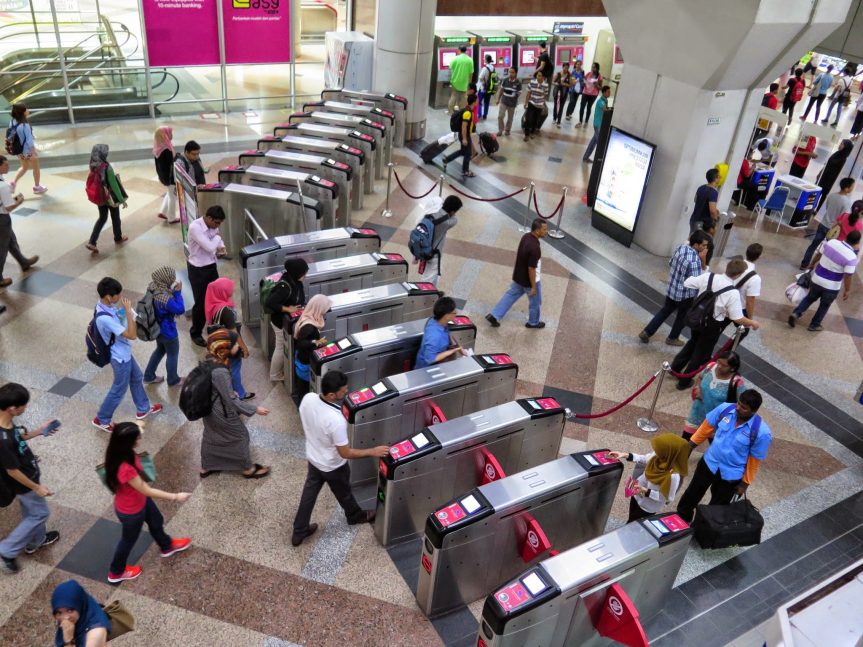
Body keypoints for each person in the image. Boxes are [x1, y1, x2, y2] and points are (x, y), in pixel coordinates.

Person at [291, 370, 389, 546]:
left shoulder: (309, 398)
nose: (346, 392)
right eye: (343, 391)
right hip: (333, 466)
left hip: (314, 459)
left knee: (309, 494)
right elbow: (345, 453)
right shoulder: (335, 420)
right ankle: (355, 516)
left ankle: (299, 531)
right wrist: (372, 451)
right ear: (331, 394)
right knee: (344, 493)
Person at [104, 421, 192, 583]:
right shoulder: (125, 468)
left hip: (140, 501)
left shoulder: (119, 450)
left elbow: (133, 429)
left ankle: (166, 546)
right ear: (128, 442)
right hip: (131, 511)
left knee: (156, 520)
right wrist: (175, 496)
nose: (140, 439)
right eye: (137, 437)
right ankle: (116, 572)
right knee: (128, 540)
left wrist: (139, 425)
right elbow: (146, 489)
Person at [676, 390, 772, 524]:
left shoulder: (762, 432)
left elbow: (754, 461)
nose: (738, 408)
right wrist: (689, 447)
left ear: (754, 411)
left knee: (717, 507)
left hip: (730, 475)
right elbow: (706, 428)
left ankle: (703, 528)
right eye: (739, 404)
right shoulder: (725, 409)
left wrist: (744, 484)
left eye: (744, 408)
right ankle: (681, 519)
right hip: (709, 463)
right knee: (691, 494)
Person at [670, 259, 761, 389]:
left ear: (727, 268)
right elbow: (737, 318)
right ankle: (683, 382)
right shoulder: (732, 292)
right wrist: (752, 322)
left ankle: (675, 368)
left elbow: (688, 282)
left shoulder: (709, 276)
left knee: (693, 342)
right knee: (700, 353)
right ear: (738, 274)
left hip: (697, 319)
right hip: (712, 326)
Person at [0, 383, 60, 574]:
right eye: (23, 406)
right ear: (12, 408)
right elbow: (12, 471)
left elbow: (17, 437)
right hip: (24, 482)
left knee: (31, 511)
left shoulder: (6, 423)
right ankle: (7, 550)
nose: (26, 408)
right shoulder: (2, 439)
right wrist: (36, 487)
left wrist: (39, 431)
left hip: (28, 472)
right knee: (39, 514)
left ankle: (36, 541)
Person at [92, 277, 162, 432]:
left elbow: (119, 319)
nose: (120, 297)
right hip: (119, 358)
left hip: (124, 353)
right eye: (117, 294)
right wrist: (129, 315)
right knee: (118, 389)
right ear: (108, 297)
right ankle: (102, 419)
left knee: (136, 377)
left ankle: (143, 408)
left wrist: (125, 312)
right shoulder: (104, 319)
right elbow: (131, 335)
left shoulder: (103, 307)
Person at [200, 329, 271, 479]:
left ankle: (206, 466)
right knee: (241, 435)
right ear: (224, 348)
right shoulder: (221, 371)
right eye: (234, 344)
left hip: (208, 409)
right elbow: (231, 401)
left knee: (211, 434)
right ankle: (247, 468)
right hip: (220, 411)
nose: (238, 346)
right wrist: (255, 409)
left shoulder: (209, 360)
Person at [638, 231, 709, 347]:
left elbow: (671, 263)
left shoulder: (680, 248)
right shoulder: (695, 260)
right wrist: (703, 260)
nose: (705, 248)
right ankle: (673, 338)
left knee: (664, 311)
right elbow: (697, 281)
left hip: (672, 289)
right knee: (682, 316)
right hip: (686, 295)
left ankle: (647, 332)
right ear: (696, 245)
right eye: (704, 245)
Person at [607, 434, 690, 522]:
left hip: (648, 506)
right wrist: (625, 455)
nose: (655, 452)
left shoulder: (673, 476)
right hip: (636, 493)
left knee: (635, 523)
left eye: (660, 450)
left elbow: (665, 497)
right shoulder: (658, 456)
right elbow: (644, 459)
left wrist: (646, 491)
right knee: (631, 518)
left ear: (669, 453)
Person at [790, 230, 861, 331]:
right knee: (824, 305)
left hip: (817, 279)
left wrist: (812, 264)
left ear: (847, 237)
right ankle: (814, 325)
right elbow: (848, 276)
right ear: (857, 242)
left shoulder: (832, 242)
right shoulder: (851, 257)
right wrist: (847, 290)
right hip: (831, 287)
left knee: (809, 298)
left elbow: (819, 254)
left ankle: (796, 313)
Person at [486, 218, 548, 329]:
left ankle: (494, 315)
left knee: (510, 295)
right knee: (535, 302)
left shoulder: (525, 237)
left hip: (519, 277)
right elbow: (531, 269)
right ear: (537, 230)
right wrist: (533, 286)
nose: (546, 231)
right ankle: (533, 322)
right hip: (530, 281)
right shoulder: (535, 248)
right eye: (544, 229)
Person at [205, 277, 253, 401]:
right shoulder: (226, 311)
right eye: (229, 288)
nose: (232, 290)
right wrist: (244, 348)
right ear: (222, 291)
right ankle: (240, 395)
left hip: (220, 343)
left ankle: (229, 391)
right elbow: (234, 333)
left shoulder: (215, 305)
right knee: (235, 369)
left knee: (228, 368)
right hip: (230, 345)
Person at [681, 350, 746, 440]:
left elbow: (743, 403)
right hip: (697, 414)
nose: (719, 366)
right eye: (718, 362)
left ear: (732, 368)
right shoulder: (710, 366)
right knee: (685, 443)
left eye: (724, 365)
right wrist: (698, 388)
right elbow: (700, 378)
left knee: (714, 448)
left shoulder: (737, 383)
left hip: (716, 422)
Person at [187, 205, 226, 347]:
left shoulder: (213, 226)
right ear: (208, 218)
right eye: (216, 223)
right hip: (198, 270)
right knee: (201, 303)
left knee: (215, 299)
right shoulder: (195, 227)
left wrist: (221, 246)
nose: (217, 226)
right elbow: (210, 246)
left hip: (211, 266)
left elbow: (216, 241)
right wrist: (218, 238)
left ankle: (214, 327)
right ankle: (195, 332)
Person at [265, 258, 308, 382]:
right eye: (303, 273)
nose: (305, 275)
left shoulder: (294, 280)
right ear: (296, 272)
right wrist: (288, 309)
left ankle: (280, 370)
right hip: (280, 322)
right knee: (280, 347)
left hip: (287, 321)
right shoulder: (285, 286)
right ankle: (274, 375)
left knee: (282, 346)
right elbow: (270, 302)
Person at [142, 266, 185, 387]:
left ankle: (149, 376)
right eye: (171, 279)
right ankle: (173, 380)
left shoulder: (152, 287)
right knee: (172, 354)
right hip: (168, 331)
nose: (173, 281)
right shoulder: (165, 298)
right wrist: (177, 293)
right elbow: (179, 309)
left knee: (160, 350)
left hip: (156, 328)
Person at [800, 177, 855, 269]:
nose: (852, 188)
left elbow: (827, 207)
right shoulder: (847, 202)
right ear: (846, 188)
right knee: (830, 250)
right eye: (852, 186)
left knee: (813, 245)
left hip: (823, 224)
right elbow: (844, 218)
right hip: (834, 229)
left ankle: (804, 264)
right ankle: (820, 267)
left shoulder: (832, 195)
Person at [0, 154, 38, 289]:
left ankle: (23, 262)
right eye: (5, 164)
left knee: (11, 241)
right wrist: (19, 201)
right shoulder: (2, 186)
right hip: (2, 219)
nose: (8, 165)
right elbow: (8, 207)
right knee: (3, 248)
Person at [85, 144, 129, 255]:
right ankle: (118, 238)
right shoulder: (107, 167)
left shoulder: (93, 165)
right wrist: (122, 200)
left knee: (102, 218)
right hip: (110, 197)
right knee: (115, 217)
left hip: (100, 197)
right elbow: (114, 186)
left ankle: (92, 242)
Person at [292, 293, 332, 405]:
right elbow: (301, 343)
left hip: (301, 359)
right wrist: (315, 342)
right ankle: (302, 408)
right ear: (318, 308)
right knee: (304, 389)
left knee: (303, 388)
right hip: (305, 361)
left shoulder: (309, 316)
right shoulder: (309, 326)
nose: (325, 312)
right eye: (325, 309)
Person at [51, 580, 111, 647]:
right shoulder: (84, 602)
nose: (65, 617)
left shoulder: (96, 634)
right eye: (59, 612)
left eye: (70, 610)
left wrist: (68, 641)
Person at [416, 297, 468, 369]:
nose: (456, 313)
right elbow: (429, 359)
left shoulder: (434, 319)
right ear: (447, 316)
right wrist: (453, 351)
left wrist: (457, 347)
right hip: (426, 370)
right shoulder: (434, 336)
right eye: (454, 312)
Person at [421, 195, 461, 286]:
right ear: (453, 211)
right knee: (428, 280)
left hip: (424, 248)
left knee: (432, 276)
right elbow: (455, 219)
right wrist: (451, 214)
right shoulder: (447, 222)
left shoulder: (431, 212)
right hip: (433, 254)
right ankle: (426, 296)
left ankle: (433, 293)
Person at [8, 103, 47, 194]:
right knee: (36, 169)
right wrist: (34, 152)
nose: (28, 110)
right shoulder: (25, 125)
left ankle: (13, 183)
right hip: (28, 151)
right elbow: (29, 141)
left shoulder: (12, 122)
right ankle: (37, 187)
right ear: (23, 112)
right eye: (26, 109)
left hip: (19, 150)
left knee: (24, 167)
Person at [443, 94, 477, 179]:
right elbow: (464, 126)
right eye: (477, 100)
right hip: (464, 135)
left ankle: (447, 159)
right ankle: (465, 171)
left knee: (462, 152)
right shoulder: (467, 113)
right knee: (468, 154)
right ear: (474, 102)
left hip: (464, 135)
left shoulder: (468, 110)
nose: (478, 102)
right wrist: (465, 138)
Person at [814, 140, 854, 211]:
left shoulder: (844, 159)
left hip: (830, 181)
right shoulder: (836, 153)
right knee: (817, 192)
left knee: (824, 196)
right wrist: (820, 173)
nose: (840, 145)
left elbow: (840, 173)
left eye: (842, 144)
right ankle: (812, 208)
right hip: (824, 177)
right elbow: (827, 164)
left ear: (846, 147)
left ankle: (818, 211)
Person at [153, 126, 179, 223]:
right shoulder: (166, 149)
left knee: (170, 192)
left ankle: (163, 211)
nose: (171, 134)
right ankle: (171, 218)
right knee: (173, 196)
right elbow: (171, 163)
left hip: (163, 176)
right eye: (170, 132)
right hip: (170, 177)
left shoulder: (158, 147)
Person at [582, 85, 610, 162]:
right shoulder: (601, 101)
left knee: (593, 142)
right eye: (608, 92)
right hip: (598, 125)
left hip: (599, 125)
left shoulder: (604, 101)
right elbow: (604, 109)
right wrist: (610, 110)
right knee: (600, 144)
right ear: (604, 92)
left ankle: (585, 157)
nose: (609, 93)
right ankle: (599, 161)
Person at [690, 168, 721, 233]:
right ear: (715, 179)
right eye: (719, 176)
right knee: (699, 241)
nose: (720, 178)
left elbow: (695, 200)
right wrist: (715, 220)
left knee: (692, 239)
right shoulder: (713, 192)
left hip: (694, 219)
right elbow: (712, 211)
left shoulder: (701, 187)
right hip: (703, 224)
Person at [496, 66, 522, 137]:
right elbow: (501, 90)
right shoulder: (505, 80)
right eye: (509, 72)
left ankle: (507, 130)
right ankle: (500, 130)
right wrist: (498, 99)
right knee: (500, 116)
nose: (510, 74)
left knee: (510, 118)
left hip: (512, 103)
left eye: (512, 72)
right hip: (504, 101)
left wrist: (514, 96)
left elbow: (519, 92)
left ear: (515, 73)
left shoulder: (518, 82)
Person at [523, 71, 549, 141]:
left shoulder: (546, 85)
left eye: (541, 76)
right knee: (528, 119)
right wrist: (526, 103)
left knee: (536, 120)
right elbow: (528, 93)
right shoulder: (532, 82)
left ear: (543, 77)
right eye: (538, 75)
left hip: (540, 105)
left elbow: (545, 95)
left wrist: (543, 104)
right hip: (531, 103)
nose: (539, 77)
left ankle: (532, 133)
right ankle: (526, 134)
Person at [447, 45, 474, 113]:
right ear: (465, 51)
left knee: (453, 96)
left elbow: (450, 69)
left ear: (459, 50)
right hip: (465, 82)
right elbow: (471, 73)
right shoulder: (470, 60)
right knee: (464, 97)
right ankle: (462, 111)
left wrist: (450, 80)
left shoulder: (455, 59)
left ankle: (450, 111)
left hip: (455, 81)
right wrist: (469, 82)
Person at [551, 62, 572, 127]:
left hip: (564, 93)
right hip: (557, 92)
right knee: (556, 105)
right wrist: (557, 83)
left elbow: (570, 85)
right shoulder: (558, 74)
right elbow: (552, 82)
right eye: (564, 67)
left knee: (561, 107)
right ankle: (554, 118)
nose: (565, 69)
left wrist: (565, 84)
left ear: (568, 68)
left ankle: (559, 121)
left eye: (567, 67)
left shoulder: (569, 75)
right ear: (562, 67)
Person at [477, 54, 496, 121]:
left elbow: (480, 77)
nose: (483, 59)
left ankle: (479, 114)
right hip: (489, 88)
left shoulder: (485, 68)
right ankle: (485, 115)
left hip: (483, 88)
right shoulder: (493, 67)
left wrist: (484, 83)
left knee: (478, 101)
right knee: (487, 102)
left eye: (484, 58)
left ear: (486, 60)